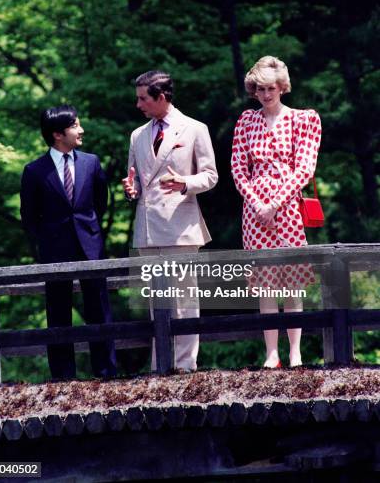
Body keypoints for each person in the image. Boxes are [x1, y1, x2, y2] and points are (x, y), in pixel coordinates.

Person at [122, 70, 218, 372]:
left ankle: (186, 365)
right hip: (149, 228)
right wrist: (131, 190)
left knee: (185, 300)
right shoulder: (137, 135)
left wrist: (185, 182)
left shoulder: (194, 128)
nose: (138, 105)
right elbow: (135, 180)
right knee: (157, 303)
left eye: (143, 98)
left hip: (181, 225)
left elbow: (211, 176)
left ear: (161, 97)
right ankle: (160, 363)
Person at [231, 56, 321, 368]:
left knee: (292, 279)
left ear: (282, 87)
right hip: (255, 208)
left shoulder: (304, 119)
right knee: (265, 281)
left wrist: (276, 203)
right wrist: (257, 203)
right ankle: (272, 353)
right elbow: (238, 169)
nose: (266, 94)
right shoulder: (246, 121)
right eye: (259, 89)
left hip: (289, 205)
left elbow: (305, 169)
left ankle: (296, 351)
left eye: (270, 88)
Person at [20, 105, 116, 381]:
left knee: (99, 307)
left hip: (91, 246)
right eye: (75, 125)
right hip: (54, 250)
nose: (81, 130)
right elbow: (29, 218)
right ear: (58, 134)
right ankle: (63, 377)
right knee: (58, 310)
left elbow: (100, 203)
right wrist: (50, 239)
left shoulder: (91, 162)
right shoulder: (34, 171)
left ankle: (106, 371)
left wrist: (90, 233)